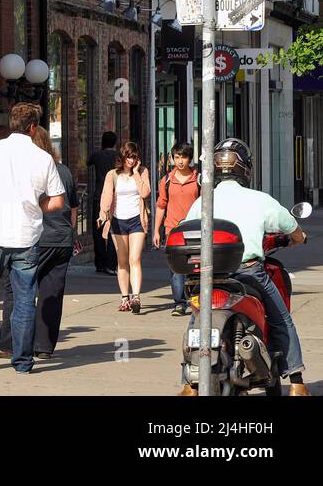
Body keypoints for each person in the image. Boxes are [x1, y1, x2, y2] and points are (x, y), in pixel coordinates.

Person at [180, 138, 309, 396]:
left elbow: (185, 230)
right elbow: (293, 230)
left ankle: (188, 384)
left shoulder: (203, 201)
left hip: (208, 275)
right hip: (248, 272)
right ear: (245, 169)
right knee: (282, 318)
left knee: (196, 317)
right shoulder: (259, 199)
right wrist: (298, 239)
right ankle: (296, 383)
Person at [0, 102, 65, 374]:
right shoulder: (43, 158)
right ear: (33, 127)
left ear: (11, 123)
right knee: (23, 301)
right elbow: (57, 201)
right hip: (26, 235)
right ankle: (22, 361)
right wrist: (36, 207)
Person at [30, 130, 78, 358]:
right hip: (62, 239)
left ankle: (19, 342)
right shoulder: (64, 171)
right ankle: (44, 346)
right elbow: (73, 209)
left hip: (38, 237)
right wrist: (71, 233)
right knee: (52, 293)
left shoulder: (31, 170)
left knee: (23, 290)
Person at [98, 141, 150, 314]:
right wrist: (103, 213)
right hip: (118, 221)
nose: (131, 160)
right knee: (122, 261)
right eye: (129, 156)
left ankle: (136, 297)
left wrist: (136, 174)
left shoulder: (142, 172)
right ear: (123, 157)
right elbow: (106, 196)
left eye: (134, 157)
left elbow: (145, 193)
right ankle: (124, 297)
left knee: (134, 259)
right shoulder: (112, 175)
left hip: (136, 220)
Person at [153, 142, 200, 315]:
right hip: (172, 229)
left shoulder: (199, 179)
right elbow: (161, 206)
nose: (180, 161)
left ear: (190, 159)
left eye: (184, 157)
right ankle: (179, 303)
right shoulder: (166, 180)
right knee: (176, 269)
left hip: (195, 228)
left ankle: (195, 299)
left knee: (195, 268)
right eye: (177, 157)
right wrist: (156, 230)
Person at [88, 132, 120, 274]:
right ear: (114, 143)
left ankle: (100, 263)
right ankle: (110, 263)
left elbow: (87, 163)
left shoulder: (97, 155)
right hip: (114, 197)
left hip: (98, 196)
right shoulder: (118, 157)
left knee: (98, 230)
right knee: (113, 230)